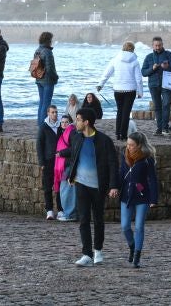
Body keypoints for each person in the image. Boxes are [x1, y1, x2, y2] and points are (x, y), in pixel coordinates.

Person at [62, 108, 119, 267]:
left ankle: (98, 250)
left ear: (86, 122)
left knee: (98, 219)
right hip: (81, 185)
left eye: (78, 119)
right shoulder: (77, 138)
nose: (76, 122)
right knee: (83, 219)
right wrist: (71, 177)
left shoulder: (104, 140)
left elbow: (113, 163)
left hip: (98, 187)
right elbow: (74, 157)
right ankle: (86, 254)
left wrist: (114, 185)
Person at [119, 131, 158, 268]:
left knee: (139, 226)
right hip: (126, 195)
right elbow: (121, 174)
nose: (128, 147)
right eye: (127, 144)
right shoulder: (124, 155)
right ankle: (132, 246)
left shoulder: (147, 159)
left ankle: (137, 255)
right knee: (125, 226)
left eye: (131, 145)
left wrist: (154, 199)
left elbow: (153, 180)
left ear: (139, 145)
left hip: (142, 196)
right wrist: (114, 188)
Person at [97, 41, 144, 141]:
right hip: (130, 90)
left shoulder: (115, 59)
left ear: (123, 48)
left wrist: (100, 84)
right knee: (126, 113)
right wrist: (140, 92)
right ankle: (123, 135)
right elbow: (139, 79)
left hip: (118, 90)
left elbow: (107, 73)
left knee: (119, 111)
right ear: (132, 49)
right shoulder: (135, 61)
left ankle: (118, 134)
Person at [142, 36, 171, 136]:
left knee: (166, 105)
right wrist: (152, 69)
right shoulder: (149, 57)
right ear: (152, 46)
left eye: (159, 45)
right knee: (157, 107)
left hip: (166, 85)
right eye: (156, 45)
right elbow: (143, 72)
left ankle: (165, 128)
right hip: (153, 85)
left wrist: (168, 67)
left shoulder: (168, 54)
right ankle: (159, 129)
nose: (158, 47)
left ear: (162, 45)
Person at [36, 104, 62, 220]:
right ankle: (49, 210)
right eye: (52, 112)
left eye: (56, 112)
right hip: (48, 160)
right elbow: (39, 145)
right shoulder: (43, 127)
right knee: (47, 187)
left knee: (60, 186)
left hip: (60, 161)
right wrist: (42, 162)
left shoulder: (61, 126)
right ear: (48, 113)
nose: (55, 114)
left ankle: (60, 209)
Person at [54, 114, 77, 222]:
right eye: (62, 122)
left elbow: (74, 148)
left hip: (68, 165)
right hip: (64, 165)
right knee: (65, 189)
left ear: (70, 122)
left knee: (66, 189)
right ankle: (68, 212)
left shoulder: (71, 132)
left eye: (66, 122)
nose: (64, 124)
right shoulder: (63, 132)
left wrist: (61, 153)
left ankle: (70, 214)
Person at [35, 31, 59, 126]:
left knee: (41, 102)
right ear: (48, 40)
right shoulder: (47, 52)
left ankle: (40, 123)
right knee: (46, 103)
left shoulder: (38, 50)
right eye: (51, 39)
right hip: (47, 80)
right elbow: (50, 68)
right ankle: (43, 125)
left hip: (39, 79)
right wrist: (56, 77)